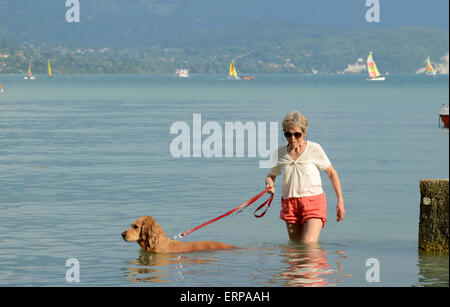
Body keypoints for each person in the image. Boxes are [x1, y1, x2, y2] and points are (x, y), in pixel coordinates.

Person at [265, 111, 345, 243]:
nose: (293, 138)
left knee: (308, 245)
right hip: (289, 203)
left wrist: (340, 202)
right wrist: (269, 184)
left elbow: (331, 173)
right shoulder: (279, 152)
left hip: (313, 201)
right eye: (288, 134)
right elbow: (271, 175)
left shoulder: (315, 148)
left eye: (297, 134)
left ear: (304, 133)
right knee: (295, 252)